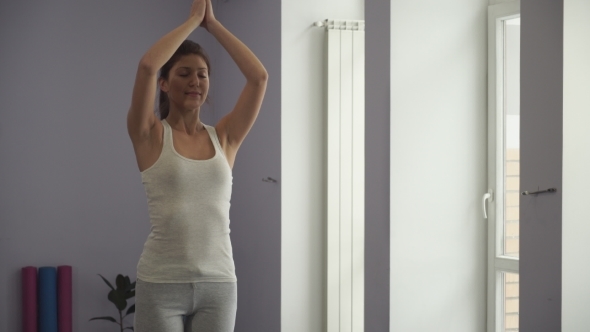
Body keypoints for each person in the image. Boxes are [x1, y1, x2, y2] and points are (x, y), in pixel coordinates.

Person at [126, 0, 267, 330]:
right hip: (161, 283)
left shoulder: (226, 137)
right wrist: (192, 21)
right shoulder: (149, 134)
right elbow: (147, 66)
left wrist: (212, 24)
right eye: (184, 73)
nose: (195, 81)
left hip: (218, 283)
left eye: (202, 74)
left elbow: (258, 77)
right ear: (165, 84)